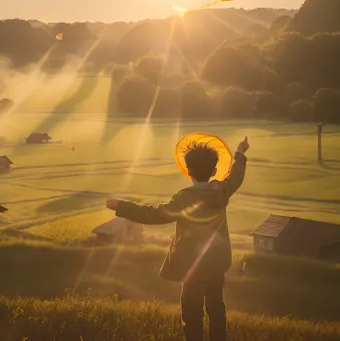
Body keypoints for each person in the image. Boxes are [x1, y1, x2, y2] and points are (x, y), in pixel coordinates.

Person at [106, 136, 250, 341]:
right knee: (217, 311)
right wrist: (240, 153)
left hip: (192, 268)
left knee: (192, 316)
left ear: (188, 170)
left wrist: (120, 206)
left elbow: (153, 215)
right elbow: (236, 177)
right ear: (214, 170)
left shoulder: (183, 199)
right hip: (217, 264)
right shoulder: (222, 191)